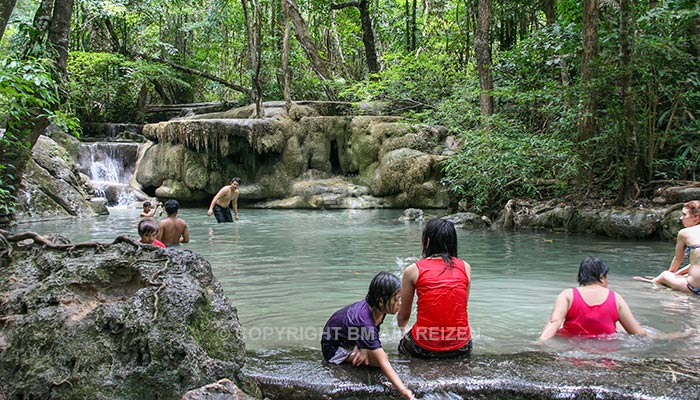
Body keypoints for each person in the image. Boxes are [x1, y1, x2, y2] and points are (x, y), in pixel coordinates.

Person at [321, 272, 414, 400]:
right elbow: (383, 361)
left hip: (349, 338)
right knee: (378, 360)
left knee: (373, 354)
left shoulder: (378, 310)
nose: (400, 302)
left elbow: (370, 331)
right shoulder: (365, 320)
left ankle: (359, 348)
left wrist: (363, 347)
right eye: (396, 299)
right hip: (334, 348)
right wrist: (403, 390)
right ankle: (347, 355)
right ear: (381, 301)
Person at [397, 218, 472, 359]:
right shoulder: (465, 268)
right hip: (462, 347)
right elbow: (459, 305)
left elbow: (403, 317)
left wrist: (404, 331)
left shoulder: (413, 270)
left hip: (424, 347)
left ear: (428, 241)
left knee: (403, 346)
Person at [539, 257, 647, 342]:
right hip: (605, 350)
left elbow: (554, 322)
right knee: (619, 328)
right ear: (601, 277)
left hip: (572, 346)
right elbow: (637, 333)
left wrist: (540, 341)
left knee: (561, 324)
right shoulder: (616, 298)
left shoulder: (567, 295)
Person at [635, 201, 700, 295]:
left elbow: (678, 259)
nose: (681, 218)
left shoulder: (684, 233)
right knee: (684, 275)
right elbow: (696, 263)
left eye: (684, 214)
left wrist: (669, 275)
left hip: (694, 288)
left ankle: (654, 284)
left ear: (696, 217)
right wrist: (678, 274)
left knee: (664, 275)